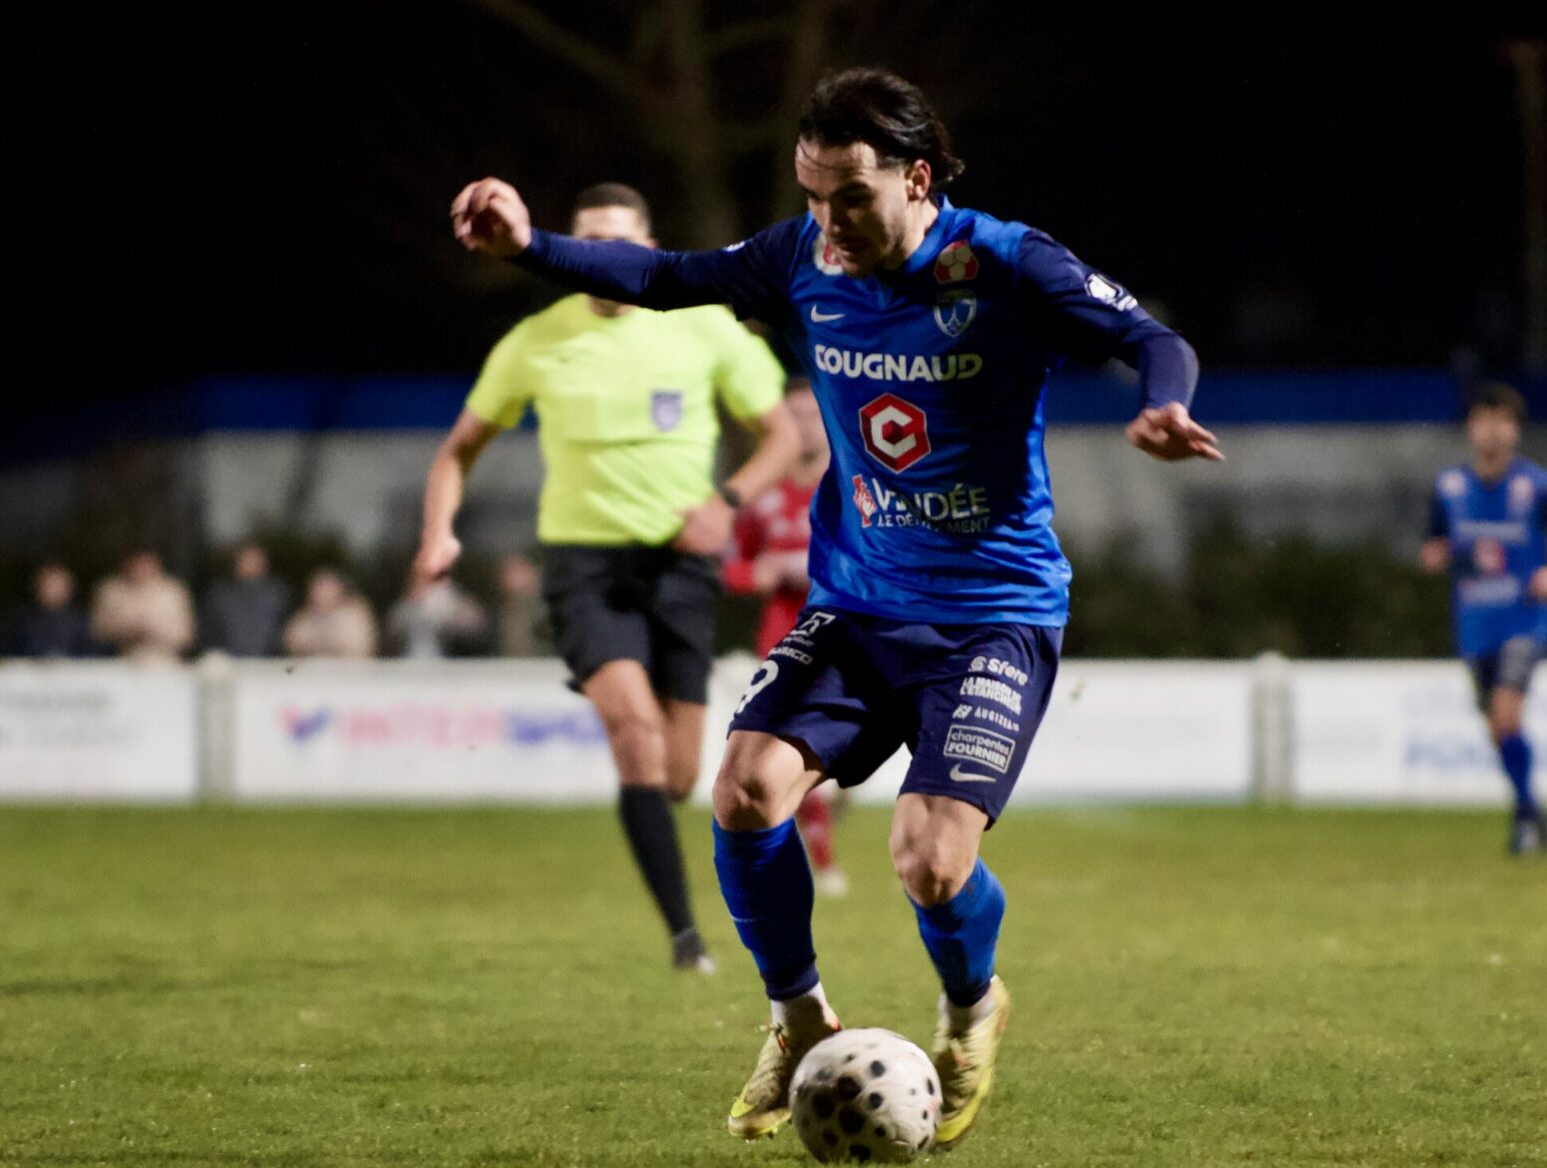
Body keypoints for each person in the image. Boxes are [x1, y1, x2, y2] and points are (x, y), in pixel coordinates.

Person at [451, 67, 1218, 1147]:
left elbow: (1149, 335)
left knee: (928, 859)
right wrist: (530, 246)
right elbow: (664, 272)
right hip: (857, 602)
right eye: (810, 194)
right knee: (743, 790)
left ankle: (970, 1009)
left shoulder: (1003, 259)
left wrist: (1163, 403)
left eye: (848, 194)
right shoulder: (800, 255)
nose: (827, 221)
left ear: (915, 178)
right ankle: (795, 1013)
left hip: (991, 612)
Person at [418, 182, 801, 975]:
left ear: (649, 250)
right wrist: (438, 534)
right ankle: (685, 939)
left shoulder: (705, 328)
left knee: (683, 774)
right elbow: (457, 450)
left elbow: (782, 441)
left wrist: (727, 504)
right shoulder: (535, 339)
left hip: (682, 566)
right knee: (634, 733)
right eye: (586, 241)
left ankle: (615, 698)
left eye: (618, 244)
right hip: (583, 562)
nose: (601, 259)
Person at [1420, 382, 1547, 856]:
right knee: (1498, 730)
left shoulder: (1539, 486)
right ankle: (1531, 812)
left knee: (1508, 713)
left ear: (1514, 430)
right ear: (1471, 428)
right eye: (1483, 421)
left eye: (1501, 422)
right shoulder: (1449, 488)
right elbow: (1433, 547)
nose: (1491, 431)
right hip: (1475, 624)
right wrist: (1439, 557)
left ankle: (1526, 823)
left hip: (1524, 620)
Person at [724, 380, 847, 896]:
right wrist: (764, 575)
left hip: (847, 632)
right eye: (791, 417)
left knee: (826, 761)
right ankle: (822, 865)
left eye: (811, 415)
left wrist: (809, 569)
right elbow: (733, 570)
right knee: (782, 749)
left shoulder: (849, 485)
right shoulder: (764, 495)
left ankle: (823, 809)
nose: (802, 426)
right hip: (783, 637)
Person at [91, 550, 194, 663]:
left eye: (146, 564)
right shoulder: (110, 590)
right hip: (116, 659)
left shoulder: (174, 591)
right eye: (137, 563)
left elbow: (186, 636)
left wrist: (154, 630)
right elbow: (97, 631)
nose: (141, 569)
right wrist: (129, 629)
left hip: (164, 661)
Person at [200, 543, 290, 658]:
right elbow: (207, 633)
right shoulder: (219, 595)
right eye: (247, 560)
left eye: (255, 561)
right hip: (229, 664)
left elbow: (286, 632)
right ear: (236, 563)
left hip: (269, 665)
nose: (251, 565)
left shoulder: (277, 594)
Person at [0, 562, 97, 659]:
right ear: (37, 586)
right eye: (49, 584)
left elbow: (92, 658)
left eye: (58, 584)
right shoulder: (21, 623)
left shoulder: (82, 623)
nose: (53, 589)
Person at [386, 572, 487, 659]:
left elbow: (475, 624)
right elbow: (393, 629)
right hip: (410, 660)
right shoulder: (407, 605)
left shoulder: (448, 598)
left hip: (442, 662)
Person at [283, 569, 378, 659]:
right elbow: (291, 643)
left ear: (338, 590)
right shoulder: (305, 615)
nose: (321, 593)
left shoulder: (355, 613)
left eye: (326, 588)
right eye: (317, 588)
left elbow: (360, 647)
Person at [494, 553, 551, 658]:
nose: (510, 577)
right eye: (507, 572)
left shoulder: (546, 605)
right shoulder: (504, 611)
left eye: (518, 571)